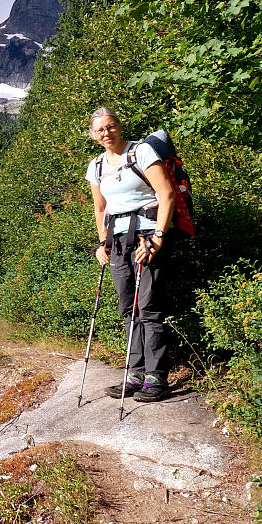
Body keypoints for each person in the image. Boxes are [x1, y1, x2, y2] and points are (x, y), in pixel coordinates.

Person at [86, 107, 176, 402]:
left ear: (119, 126)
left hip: (146, 238)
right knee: (129, 309)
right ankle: (135, 373)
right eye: (100, 129)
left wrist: (158, 237)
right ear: (93, 135)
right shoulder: (96, 166)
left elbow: (166, 194)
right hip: (117, 241)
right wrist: (102, 243)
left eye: (110, 126)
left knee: (149, 308)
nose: (106, 133)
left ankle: (156, 377)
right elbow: (101, 209)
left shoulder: (143, 152)